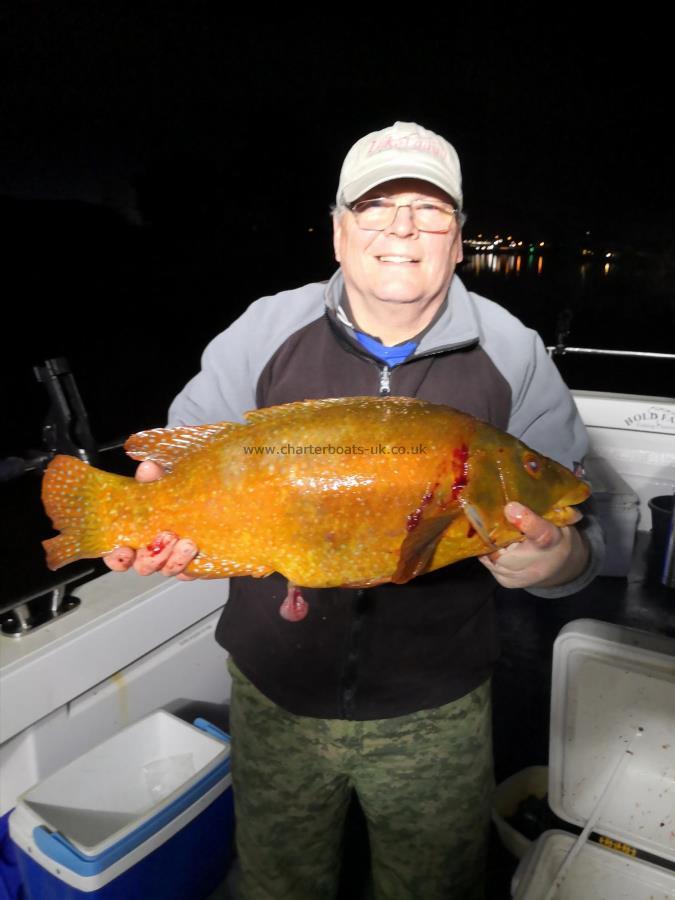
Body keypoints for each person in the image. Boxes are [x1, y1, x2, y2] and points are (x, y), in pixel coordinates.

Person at [105, 122, 603, 900]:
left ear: (459, 237)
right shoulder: (265, 331)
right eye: (374, 207)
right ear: (339, 233)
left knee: (433, 887)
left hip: (435, 707)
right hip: (275, 693)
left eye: (429, 210)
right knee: (277, 884)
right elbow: (173, 462)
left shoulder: (514, 353)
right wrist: (146, 510)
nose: (402, 227)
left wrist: (556, 560)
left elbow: (577, 532)